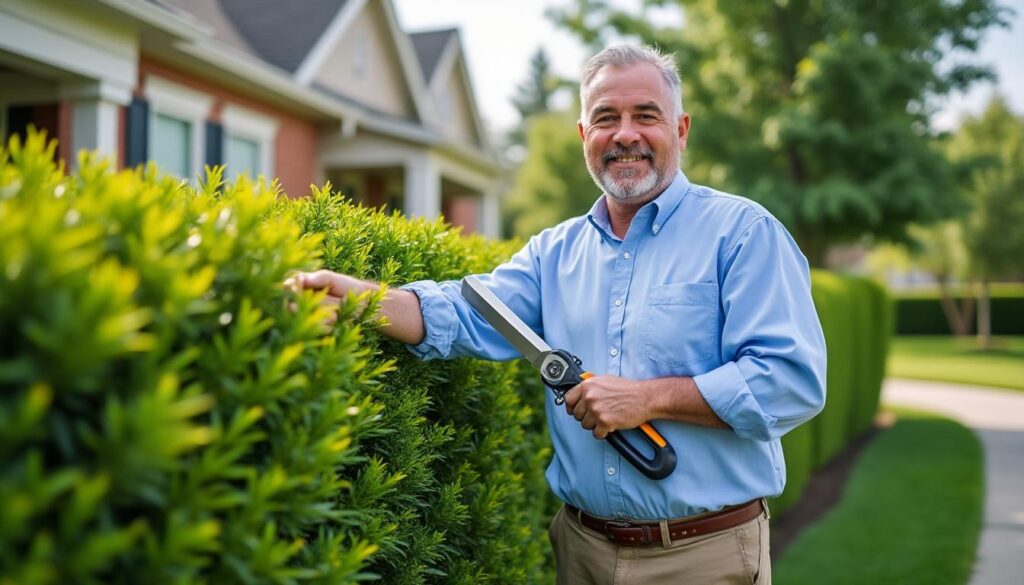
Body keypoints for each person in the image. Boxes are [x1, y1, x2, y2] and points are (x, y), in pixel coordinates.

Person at [290, 44, 826, 585]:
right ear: (583, 136)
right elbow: (472, 313)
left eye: (646, 115)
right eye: (605, 118)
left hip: (703, 556)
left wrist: (647, 397)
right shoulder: (554, 251)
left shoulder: (743, 234)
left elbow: (790, 380)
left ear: (681, 129)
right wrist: (363, 300)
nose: (625, 134)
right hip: (581, 551)